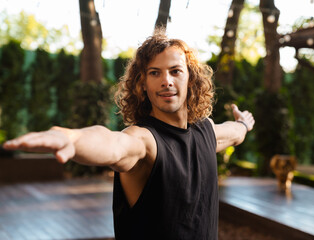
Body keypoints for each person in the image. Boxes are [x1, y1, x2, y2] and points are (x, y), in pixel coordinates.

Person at [3, 29, 255, 240]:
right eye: (155, 73)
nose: (166, 81)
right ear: (143, 84)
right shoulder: (144, 140)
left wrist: (243, 123)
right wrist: (73, 138)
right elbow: (114, 144)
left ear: (191, 78)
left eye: (175, 71)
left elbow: (233, 134)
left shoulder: (205, 131)